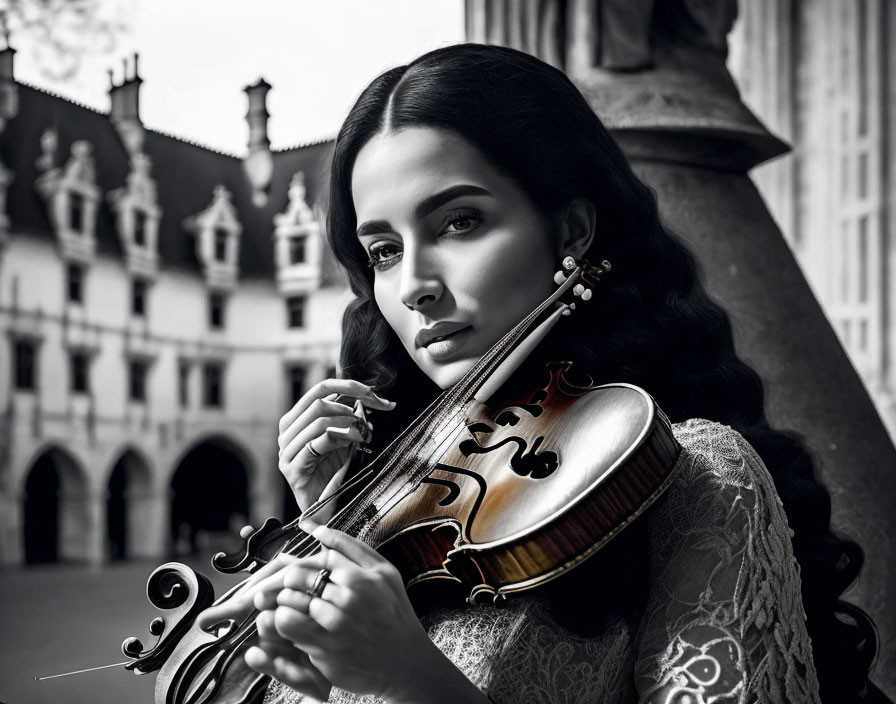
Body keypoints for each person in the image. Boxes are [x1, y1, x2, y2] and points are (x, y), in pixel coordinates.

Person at [198, 43, 886, 703]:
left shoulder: (699, 473)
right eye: (382, 251)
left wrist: (415, 681)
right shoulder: (393, 484)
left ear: (571, 231)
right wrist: (329, 514)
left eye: (459, 222)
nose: (413, 285)